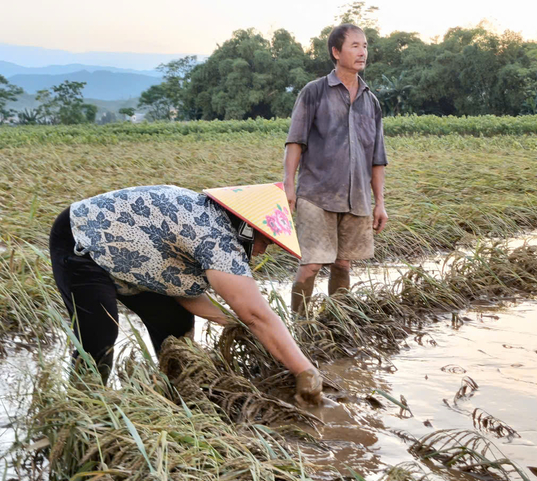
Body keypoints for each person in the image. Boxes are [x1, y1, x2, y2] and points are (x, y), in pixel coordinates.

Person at [49, 183, 322, 405]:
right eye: (265, 242)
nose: (262, 251)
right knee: (100, 335)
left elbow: (181, 290)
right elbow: (256, 315)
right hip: (82, 241)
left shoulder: (214, 224)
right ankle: (83, 406)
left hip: (133, 258)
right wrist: (304, 371)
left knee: (174, 324)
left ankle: (174, 397)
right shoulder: (214, 237)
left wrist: (230, 322)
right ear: (247, 229)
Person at [284, 23, 388, 314]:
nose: (362, 52)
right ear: (335, 51)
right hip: (316, 195)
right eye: (354, 46)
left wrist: (380, 203)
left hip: (356, 199)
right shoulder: (314, 92)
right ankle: (298, 327)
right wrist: (288, 186)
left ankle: (337, 322)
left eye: (365, 46)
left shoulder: (371, 101)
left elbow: (377, 157)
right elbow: (295, 142)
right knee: (312, 265)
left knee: (343, 264)